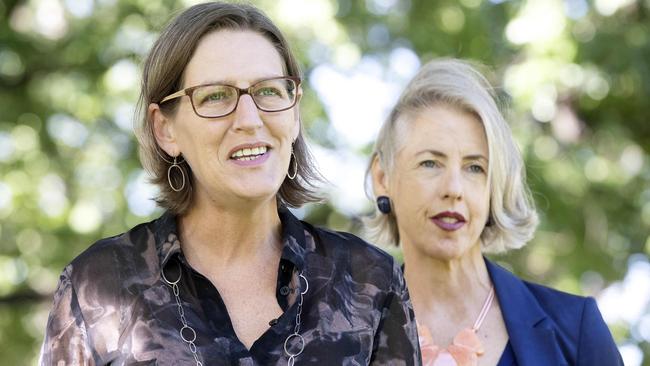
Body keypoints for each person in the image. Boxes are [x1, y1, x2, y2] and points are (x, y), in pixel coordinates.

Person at [39, 2, 420, 365]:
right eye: (216, 96)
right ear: (165, 129)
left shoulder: (371, 281)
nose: (250, 119)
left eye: (269, 90)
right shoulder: (96, 286)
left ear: (295, 112)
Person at [366, 59, 623, 366]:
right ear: (383, 178)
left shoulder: (577, 331)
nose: (454, 188)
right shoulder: (344, 332)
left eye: (475, 167)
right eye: (430, 163)